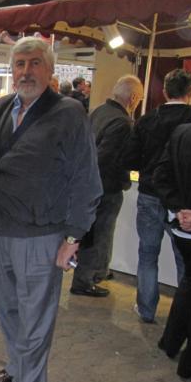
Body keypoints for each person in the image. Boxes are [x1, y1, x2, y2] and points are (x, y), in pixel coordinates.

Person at [0, 37, 101, 382]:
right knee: (8, 310)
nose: (26, 71)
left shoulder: (69, 113)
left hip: (42, 235)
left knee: (36, 316)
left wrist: (73, 237)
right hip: (0, 230)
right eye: (20, 64)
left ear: (50, 69)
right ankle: (17, 367)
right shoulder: (3, 107)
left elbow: (86, 179)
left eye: (35, 63)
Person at [121, 68, 191, 323]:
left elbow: (130, 158)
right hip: (181, 199)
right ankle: (183, 315)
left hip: (149, 193)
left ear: (165, 91)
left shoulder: (147, 120)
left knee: (147, 253)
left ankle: (146, 309)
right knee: (184, 258)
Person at [70, 75, 144, 297]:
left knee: (92, 233)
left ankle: (96, 270)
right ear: (133, 98)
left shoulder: (99, 111)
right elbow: (107, 160)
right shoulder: (122, 123)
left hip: (88, 184)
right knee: (100, 234)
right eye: (139, 99)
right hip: (105, 188)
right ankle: (87, 278)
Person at [154, 115, 191, 379]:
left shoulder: (183, 133)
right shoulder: (183, 131)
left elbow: (160, 176)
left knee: (190, 282)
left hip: (185, 229)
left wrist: (179, 210)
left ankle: (170, 341)